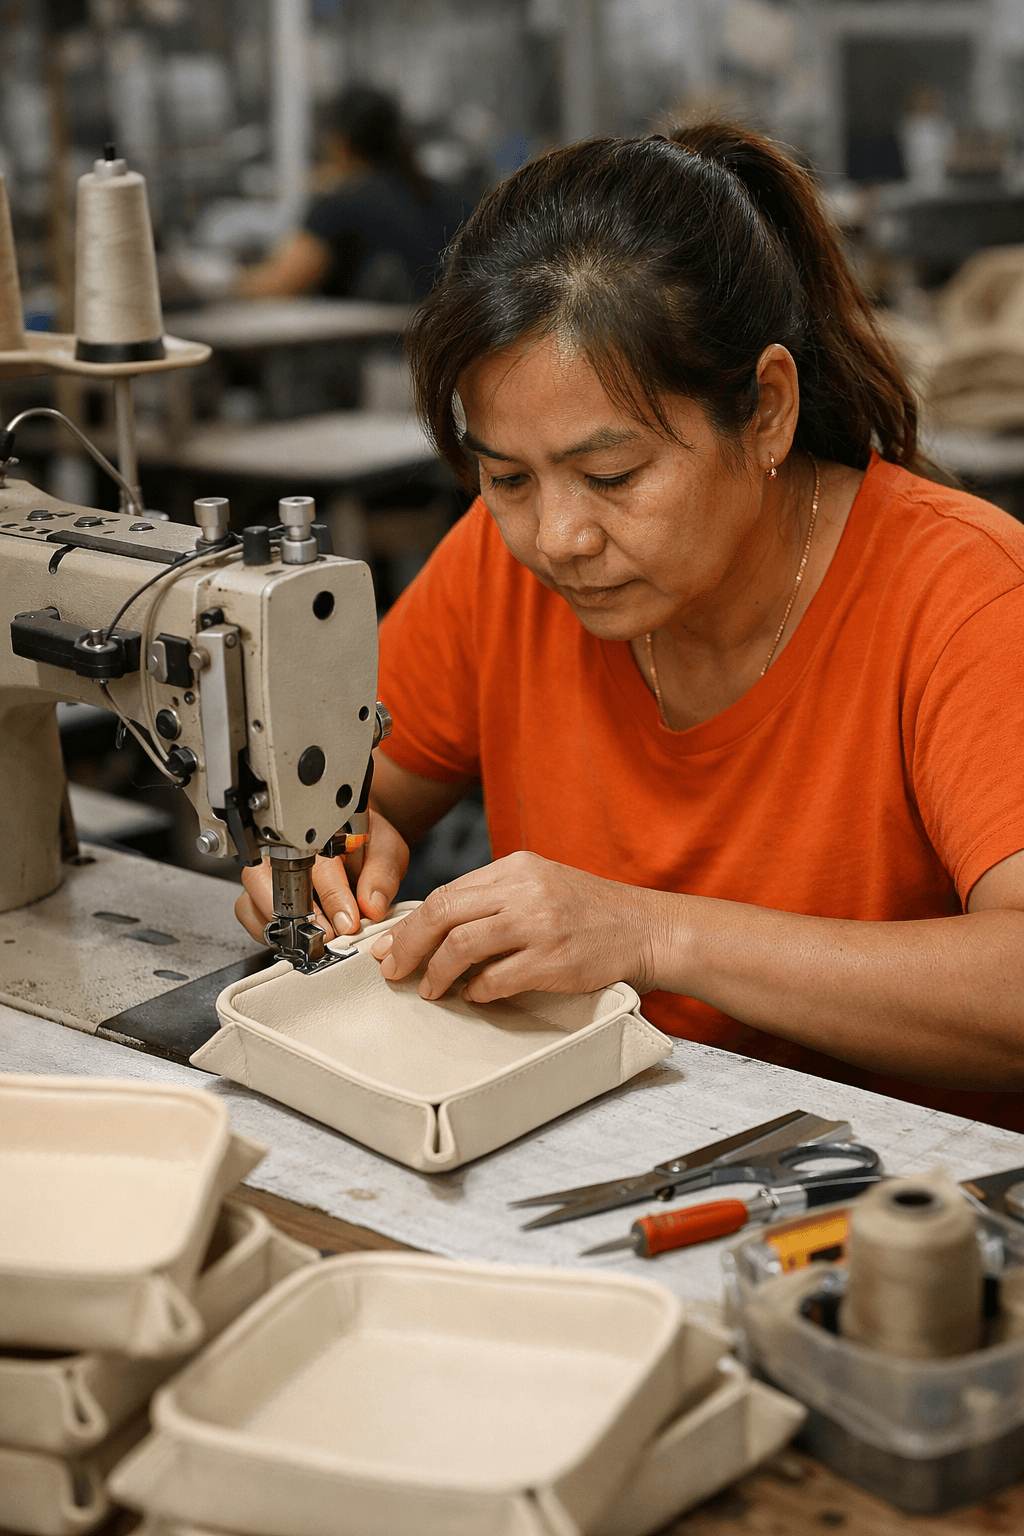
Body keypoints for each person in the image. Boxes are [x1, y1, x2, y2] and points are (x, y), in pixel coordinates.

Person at [236, 122, 1024, 1130]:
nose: (557, 537)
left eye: (612, 476)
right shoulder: (500, 561)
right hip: (593, 1142)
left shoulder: (962, 596)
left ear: (769, 410)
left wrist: (652, 936)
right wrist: (318, 859)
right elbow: (348, 798)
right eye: (506, 476)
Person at [238, 86, 470, 303]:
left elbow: (277, 284)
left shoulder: (342, 205)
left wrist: (221, 282)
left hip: (382, 346)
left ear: (339, 141)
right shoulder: (449, 199)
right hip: (452, 341)